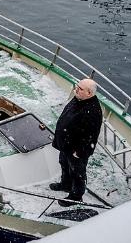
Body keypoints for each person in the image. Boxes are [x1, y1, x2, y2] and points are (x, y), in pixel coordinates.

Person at [50, 78, 103, 207]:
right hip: (66, 145)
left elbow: (91, 135)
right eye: (77, 86)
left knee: (77, 173)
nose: (76, 89)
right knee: (64, 163)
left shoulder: (93, 111)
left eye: (80, 89)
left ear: (89, 93)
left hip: (76, 150)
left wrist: (79, 152)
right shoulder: (79, 99)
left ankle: (76, 196)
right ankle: (66, 184)